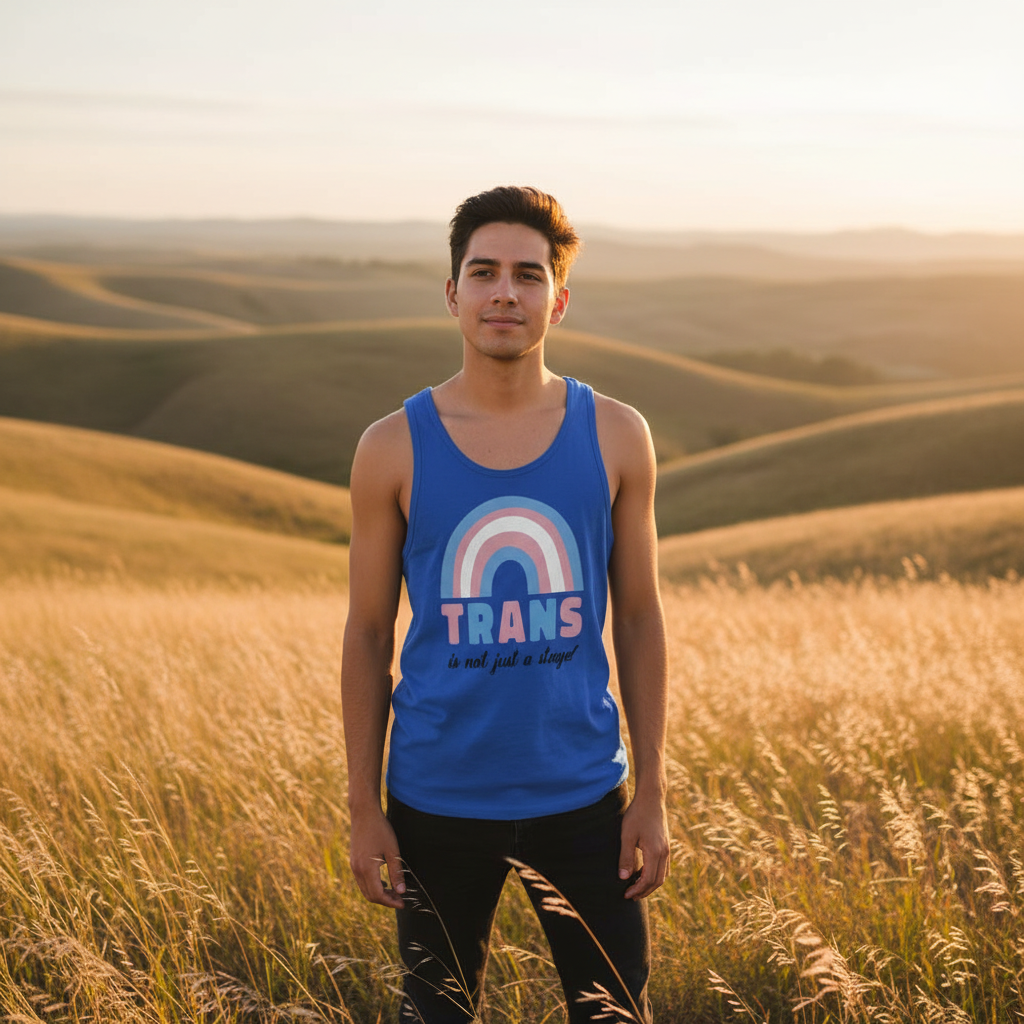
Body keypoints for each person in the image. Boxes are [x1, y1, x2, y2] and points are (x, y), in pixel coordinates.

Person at [341, 185, 669, 1023]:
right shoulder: (389, 446)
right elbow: (370, 632)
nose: (504, 293)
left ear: (559, 298)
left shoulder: (617, 434)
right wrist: (363, 809)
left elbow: (637, 617)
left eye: (528, 276)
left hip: (585, 796)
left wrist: (653, 792)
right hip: (435, 799)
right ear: (452, 293)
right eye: (483, 273)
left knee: (614, 1014)